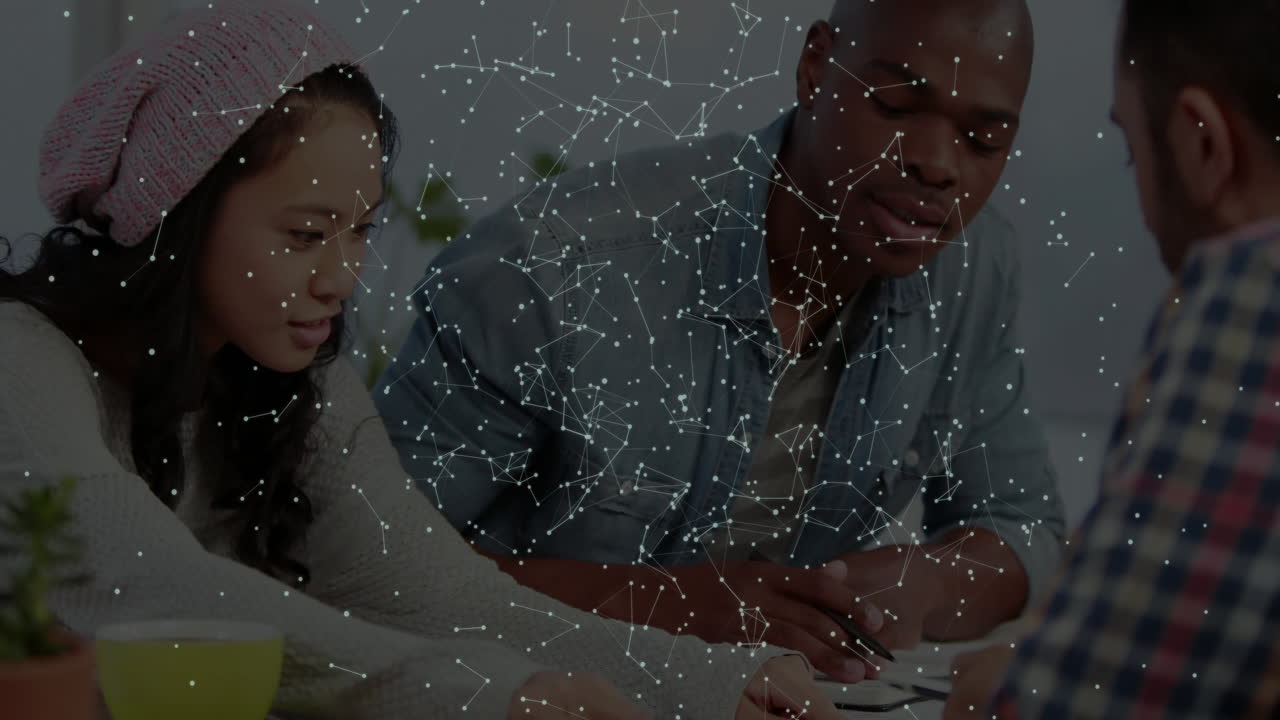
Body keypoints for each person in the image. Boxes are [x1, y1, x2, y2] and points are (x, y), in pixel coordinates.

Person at [0, 2, 843, 718]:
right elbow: (166, 594)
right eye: (304, 234)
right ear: (176, 217)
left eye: (359, 229)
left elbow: (440, 592)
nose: (342, 276)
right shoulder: (18, 363)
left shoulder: (290, 376)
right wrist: (498, 697)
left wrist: (717, 685)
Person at [374, 0, 1067, 685]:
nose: (939, 164)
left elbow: (1025, 526)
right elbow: (365, 563)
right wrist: (672, 610)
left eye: (984, 141)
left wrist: (928, 585)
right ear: (816, 67)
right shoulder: (552, 268)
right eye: (893, 104)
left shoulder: (971, 267)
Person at [943, 1, 1280, 717]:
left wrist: (994, 691)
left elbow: (1082, 704)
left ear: (1202, 144)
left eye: (1132, 149)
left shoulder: (1250, 297)